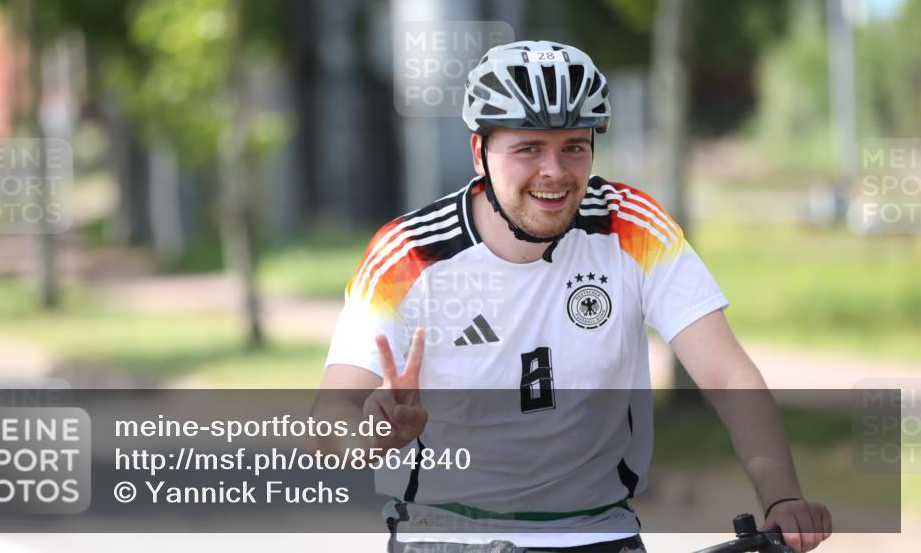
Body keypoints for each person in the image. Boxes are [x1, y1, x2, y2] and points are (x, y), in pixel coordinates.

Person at [315, 41, 831, 553]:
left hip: (597, 530)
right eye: (528, 149)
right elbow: (330, 417)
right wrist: (372, 436)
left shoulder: (629, 226)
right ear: (480, 153)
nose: (555, 172)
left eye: (574, 147)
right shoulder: (409, 253)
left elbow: (727, 376)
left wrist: (782, 496)